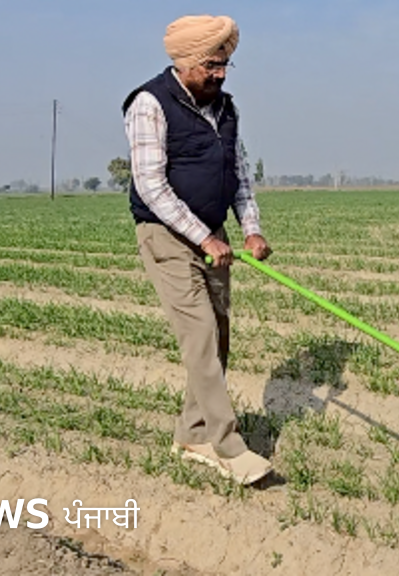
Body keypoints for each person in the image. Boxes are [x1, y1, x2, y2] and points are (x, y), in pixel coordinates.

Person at [122, 14, 272, 485]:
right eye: (211, 65)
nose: (221, 73)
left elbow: (238, 173)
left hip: (213, 234)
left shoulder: (225, 108)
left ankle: (191, 434)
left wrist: (250, 229)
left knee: (218, 335)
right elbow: (151, 185)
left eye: (225, 64)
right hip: (167, 236)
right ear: (185, 62)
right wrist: (202, 237)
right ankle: (228, 446)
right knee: (201, 334)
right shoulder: (149, 104)